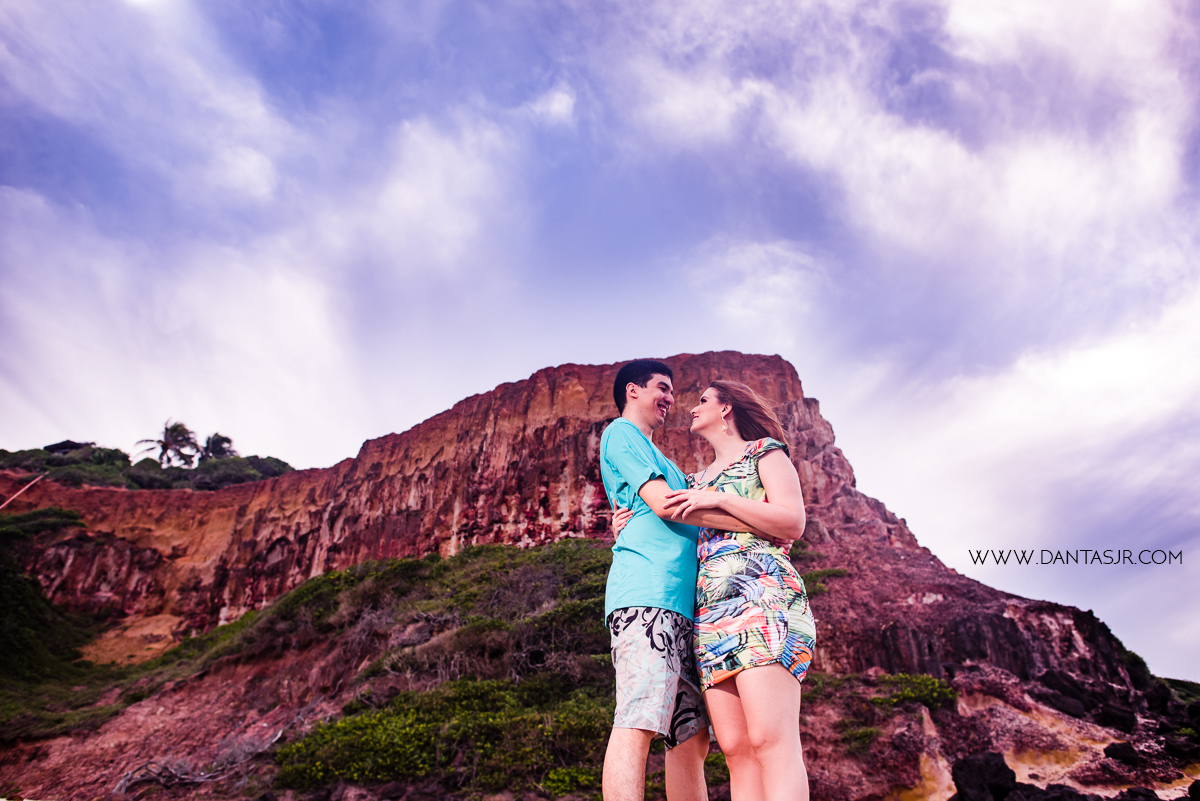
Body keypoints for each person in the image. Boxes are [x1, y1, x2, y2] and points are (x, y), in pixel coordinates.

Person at [599, 361, 800, 801]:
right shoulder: (621, 433)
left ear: (727, 409)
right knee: (639, 719)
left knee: (691, 739)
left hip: (698, 609)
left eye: (693, 397)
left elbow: (685, 511)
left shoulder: (685, 471)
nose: (675, 401)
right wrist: (639, 519)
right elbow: (668, 508)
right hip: (649, 597)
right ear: (633, 391)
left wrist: (696, 505)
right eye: (663, 388)